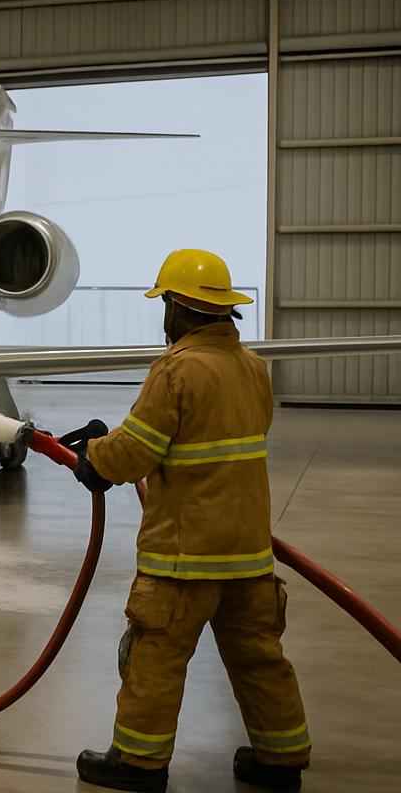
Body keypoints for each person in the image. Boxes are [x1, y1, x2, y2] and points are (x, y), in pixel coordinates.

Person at [70, 249, 309, 793]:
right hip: (248, 556)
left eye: (165, 305)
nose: (164, 319)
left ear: (179, 307)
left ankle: (137, 763)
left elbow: (136, 451)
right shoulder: (252, 369)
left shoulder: (176, 370)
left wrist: (95, 461)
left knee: (155, 656)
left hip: (184, 559)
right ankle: (282, 759)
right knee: (259, 659)